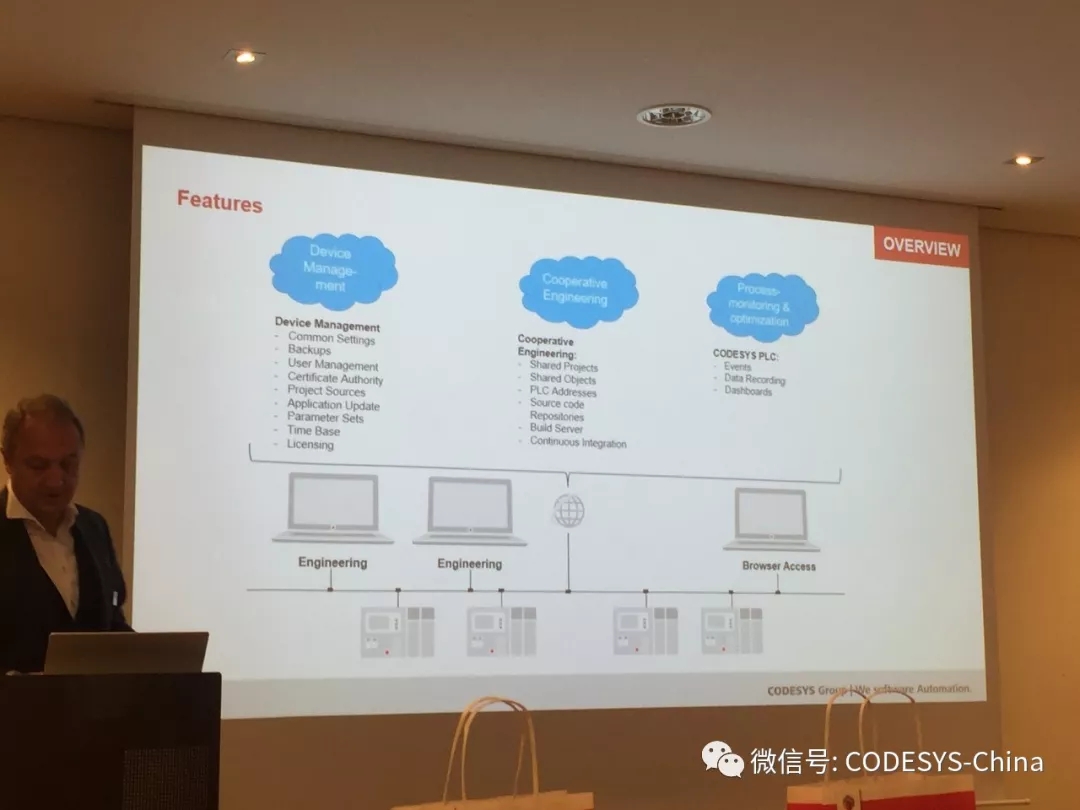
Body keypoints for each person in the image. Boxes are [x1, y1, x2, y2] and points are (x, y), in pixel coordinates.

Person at [0, 394, 131, 673]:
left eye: (68, 464)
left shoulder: (95, 527)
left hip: (95, 702)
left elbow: (111, 624)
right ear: (7, 460)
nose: (56, 480)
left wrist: (155, 663)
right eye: (39, 466)